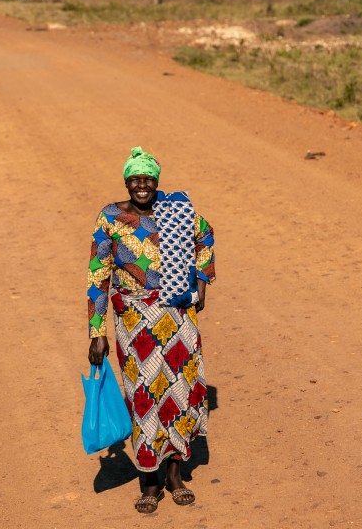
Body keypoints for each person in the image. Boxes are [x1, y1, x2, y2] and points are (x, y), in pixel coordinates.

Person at [87, 147, 216, 514]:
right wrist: (96, 331)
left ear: (156, 181)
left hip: (178, 316)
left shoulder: (176, 209)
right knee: (143, 395)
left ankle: (175, 475)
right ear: (126, 181)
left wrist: (202, 282)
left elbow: (205, 237)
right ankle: (150, 482)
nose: (141, 185)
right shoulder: (111, 217)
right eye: (134, 179)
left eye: (147, 179)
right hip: (133, 319)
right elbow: (98, 275)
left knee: (179, 391)